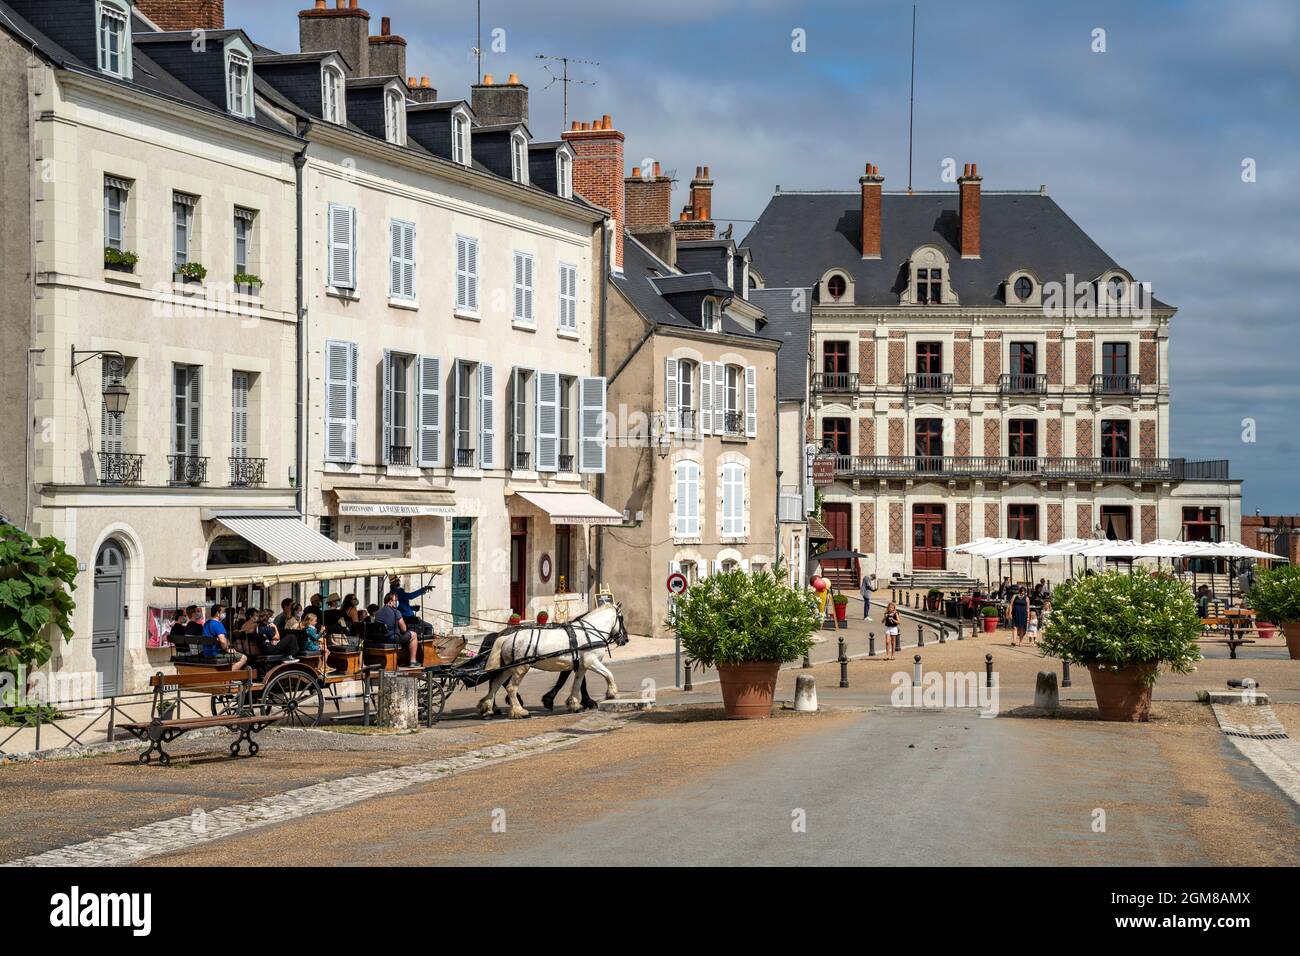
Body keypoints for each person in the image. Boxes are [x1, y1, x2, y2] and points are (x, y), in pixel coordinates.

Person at [374, 591, 417, 665]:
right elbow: (404, 629)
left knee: (404, 636)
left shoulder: (378, 612)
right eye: (395, 600)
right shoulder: (396, 612)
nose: (397, 602)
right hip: (392, 638)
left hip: (381, 638)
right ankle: (413, 661)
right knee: (414, 635)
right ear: (390, 602)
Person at [202, 604, 247, 669]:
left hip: (207, 652)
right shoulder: (218, 624)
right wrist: (227, 649)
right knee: (243, 658)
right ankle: (227, 677)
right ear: (217, 613)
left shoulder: (206, 623)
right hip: (216, 653)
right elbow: (223, 641)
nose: (224, 614)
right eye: (223, 612)